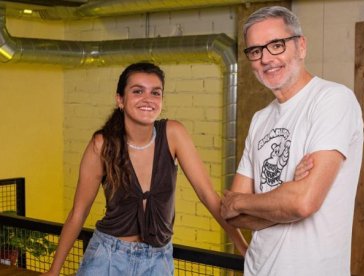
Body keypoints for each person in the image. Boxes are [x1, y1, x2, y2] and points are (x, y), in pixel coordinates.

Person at [42, 62, 247, 276]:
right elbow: (79, 212)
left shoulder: (173, 133)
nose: (148, 99)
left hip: (157, 262)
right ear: (120, 99)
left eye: (155, 93)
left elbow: (208, 196)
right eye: (138, 91)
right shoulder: (102, 145)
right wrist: (53, 271)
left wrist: (243, 248)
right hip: (108, 259)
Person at [220, 6, 364, 276]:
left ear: (301, 46)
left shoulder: (332, 100)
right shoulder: (260, 119)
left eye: (276, 45)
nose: (266, 59)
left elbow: (302, 203)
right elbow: (231, 214)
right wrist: (284, 196)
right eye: (255, 50)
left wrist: (244, 201)